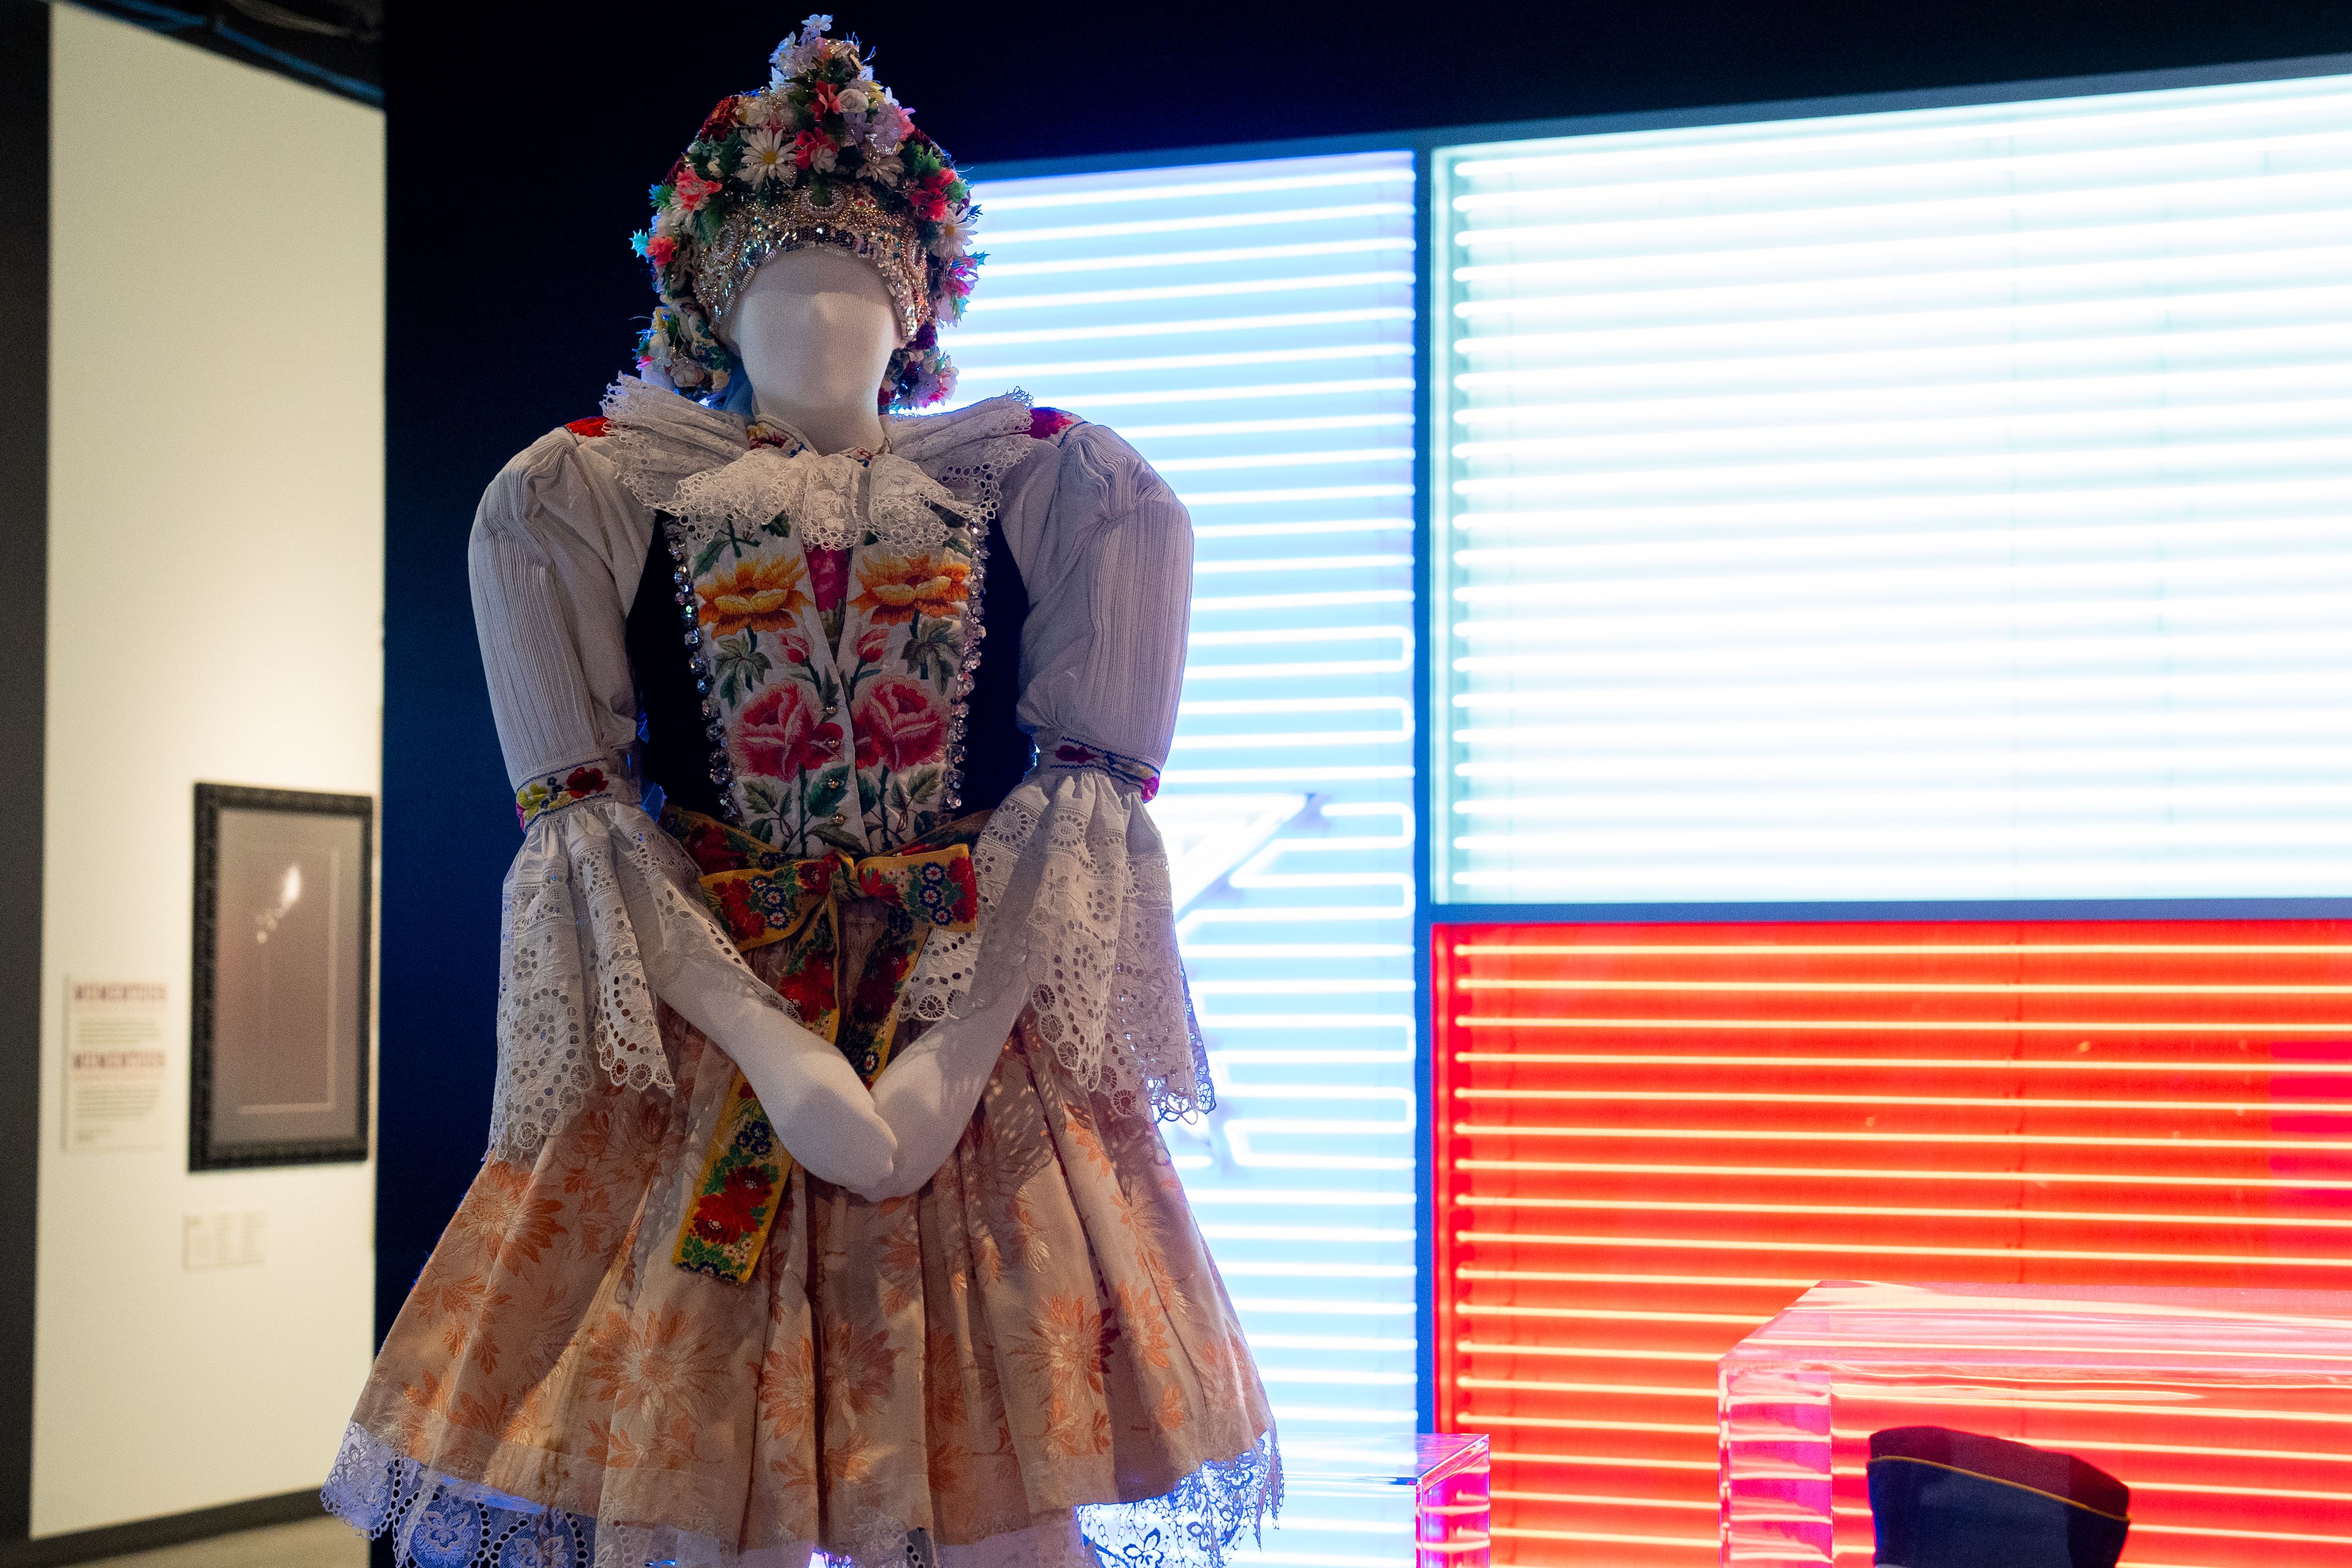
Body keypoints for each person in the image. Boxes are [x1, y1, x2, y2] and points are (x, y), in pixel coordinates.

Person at [325, 17, 1279, 1566]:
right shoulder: (589, 493)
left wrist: (955, 1055)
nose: (819, 321)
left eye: (857, 285)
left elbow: (1081, 816)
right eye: (779, 284)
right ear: (711, 303)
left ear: (916, 310)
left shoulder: (1051, 486)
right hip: (714, 1038)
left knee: (997, 1489)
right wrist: (774, 1053)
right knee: (704, 1498)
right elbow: (588, 826)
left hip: (963, 1035)